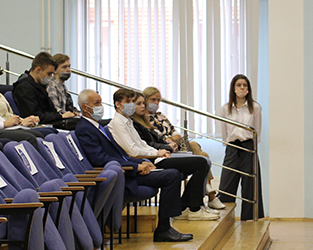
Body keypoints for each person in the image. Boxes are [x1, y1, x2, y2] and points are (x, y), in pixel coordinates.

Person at [75, 89, 194, 242]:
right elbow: (100, 159)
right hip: (122, 175)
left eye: (100, 102)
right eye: (96, 103)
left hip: (127, 168)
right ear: (85, 108)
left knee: (174, 174)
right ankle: (164, 229)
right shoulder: (85, 128)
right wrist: (135, 167)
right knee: (172, 175)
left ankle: (166, 227)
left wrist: (141, 162)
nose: (101, 106)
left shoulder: (97, 126)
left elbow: (118, 154)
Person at [110, 88, 216, 220]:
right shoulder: (117, 123)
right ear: (118, 104)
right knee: (200, 163)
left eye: (133, 101)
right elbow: (133, 151)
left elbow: (142, 144)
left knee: (201, 160)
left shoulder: (128, 121)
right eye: (129, 102)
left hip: (153, 156)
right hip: (145, 161)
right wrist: (157, 152)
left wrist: (159, 152)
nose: (132, 105)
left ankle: (186, 207)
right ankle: (193, 208)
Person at [142, 85, 224, 209]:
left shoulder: (160, 116)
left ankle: (208, 191)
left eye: (158, 100)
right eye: (153, 100)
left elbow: (176, 134)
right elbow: (155, 139)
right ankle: (210, 193)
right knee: (203, 157)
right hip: (163, 151)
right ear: (145, 100)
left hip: (174, 145)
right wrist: (167, 142)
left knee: (195, 146)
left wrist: (171, 140)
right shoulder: (143, 119)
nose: (156, 103)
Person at [218, 74, 264, 220]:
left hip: (248, 147)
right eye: (239, 85)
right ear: (233, 88)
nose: (242, 88)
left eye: (245, 85)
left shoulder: (255, 107)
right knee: (226, 184)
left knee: (250, 185)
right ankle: (224, 219)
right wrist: (228, 144)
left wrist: (253, 148)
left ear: (248, 89)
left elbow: (257, 130)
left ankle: (249, 219)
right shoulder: (225, 109)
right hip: (232, 147)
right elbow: (224, 131)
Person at [0, 58, 48, 130]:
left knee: (47, 130)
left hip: (11, 126)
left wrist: (27, 120)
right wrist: (21, 123)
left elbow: (9, 115)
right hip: (4, 129)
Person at [13, 52, 79, 128]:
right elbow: (35, 115)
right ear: (38, 70)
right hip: (37, 126)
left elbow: (51, 110)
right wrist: (60, 116)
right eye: (49, 73)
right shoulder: (24, 87)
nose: (51, 77)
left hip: (49, 122)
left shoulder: (41, 85)